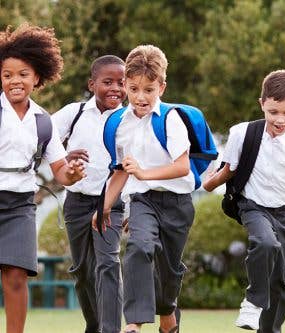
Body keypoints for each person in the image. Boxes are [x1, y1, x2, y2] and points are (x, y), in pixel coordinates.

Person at [202, 69, 285, 333]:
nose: (280, 119)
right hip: (252, 206)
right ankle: (252, 302)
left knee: (281, 282)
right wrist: (207, 184)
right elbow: (229, 170)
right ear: (262, 104)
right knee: (264, 242)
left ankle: (270, 330)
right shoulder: (243, 133)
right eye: (273, 112)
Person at [92, 44, 194, 333]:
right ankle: (134, 323)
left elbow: (182, 166)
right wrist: (105, 205)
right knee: (138, 246)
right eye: (134, 89)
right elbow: (122, 171)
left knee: (169, 271)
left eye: (149, 90)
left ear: (161, 86)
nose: (141, 97)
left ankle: (168, 315)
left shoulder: (171, 119)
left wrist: (145, 172)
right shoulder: (118, 123)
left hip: (177, 202)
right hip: (142, 200)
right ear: (125, 85)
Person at [0, 23, 85, 333]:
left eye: (22, 74)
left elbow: (60, 170)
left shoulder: (43, 122)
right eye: (7, 75)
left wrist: (73, 174)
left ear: (36, 77)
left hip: (20, 205)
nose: (14, 81)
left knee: (16, 275)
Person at [52, 55, 126, 333]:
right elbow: (43, 138)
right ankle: (94, 326)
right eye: (108, 82)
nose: (116, 88)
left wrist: (127, 206)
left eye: (122, 82)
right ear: (92, 83)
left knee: (108, 264)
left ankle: (111, 330)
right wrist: (63, 154)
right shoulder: (76, 112)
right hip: (77, 203)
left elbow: (132, 166)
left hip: (110, 203)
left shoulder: (129, 118)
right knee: (82, 272)